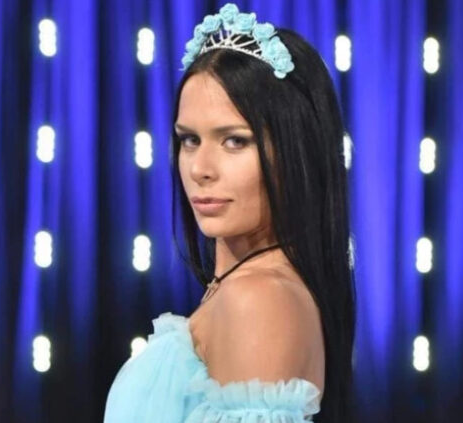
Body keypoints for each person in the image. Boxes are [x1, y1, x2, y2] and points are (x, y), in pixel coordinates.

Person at [103, 3, 356, 422]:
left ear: (296, 151)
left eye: (235, 141)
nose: (200, 169)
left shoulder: (257, 299)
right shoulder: (245, 287)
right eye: (189, 140)